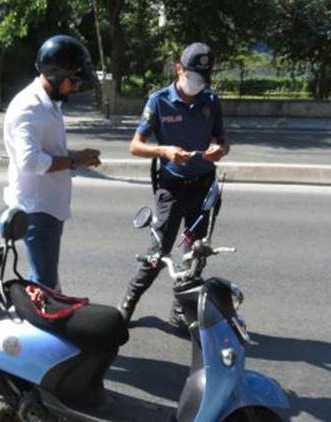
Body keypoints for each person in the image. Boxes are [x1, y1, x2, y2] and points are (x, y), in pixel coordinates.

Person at [118, 42, 230, 325]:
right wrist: (163, 151)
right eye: (193, 76)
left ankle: (181, 307)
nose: (198, 84)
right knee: (158, 252)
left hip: (203, 188)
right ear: (178, 69)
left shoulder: (211, 101)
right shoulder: (158, 101)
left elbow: (223, 140)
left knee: (194, 253)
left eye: (203, 78)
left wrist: (221, 150)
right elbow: (135, 145)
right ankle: (129, 300)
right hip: (172, 188)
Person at [3, 34, 101, 291]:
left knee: (47, 281)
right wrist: (72, 161)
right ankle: (43, 326)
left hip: (48, 207)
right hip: (38, 211)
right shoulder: (29, 107)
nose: (76, 88)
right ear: (56, 75)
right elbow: (30, 161)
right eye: (74, 81)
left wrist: (76, 156)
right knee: (44, 286)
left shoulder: (48, 103)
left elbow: (46, 150)